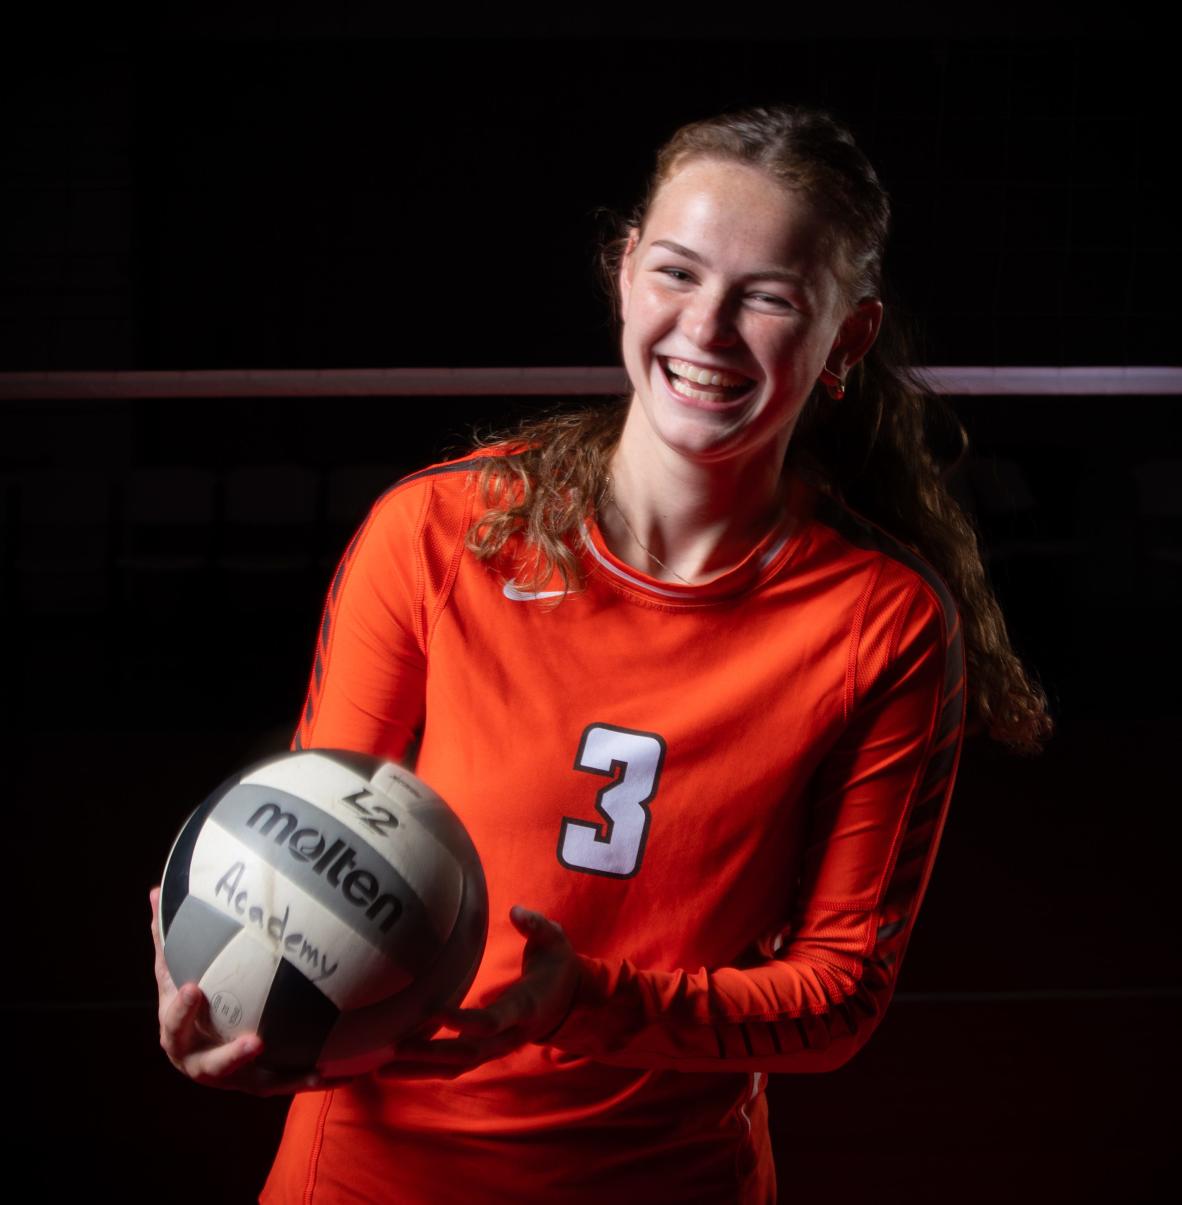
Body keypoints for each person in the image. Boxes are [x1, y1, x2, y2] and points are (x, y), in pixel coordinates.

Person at [152, 102, 1052, 1202]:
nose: (707, 330)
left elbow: (839, 994)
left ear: (846, 340)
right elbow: (308, 831)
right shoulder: (439, 534)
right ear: (625, 272)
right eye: (677, 272)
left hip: (669, 1176)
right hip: (374, 1170)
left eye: (767, 297)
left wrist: (586, 1000)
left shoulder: (882, 622)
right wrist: (228, 990)